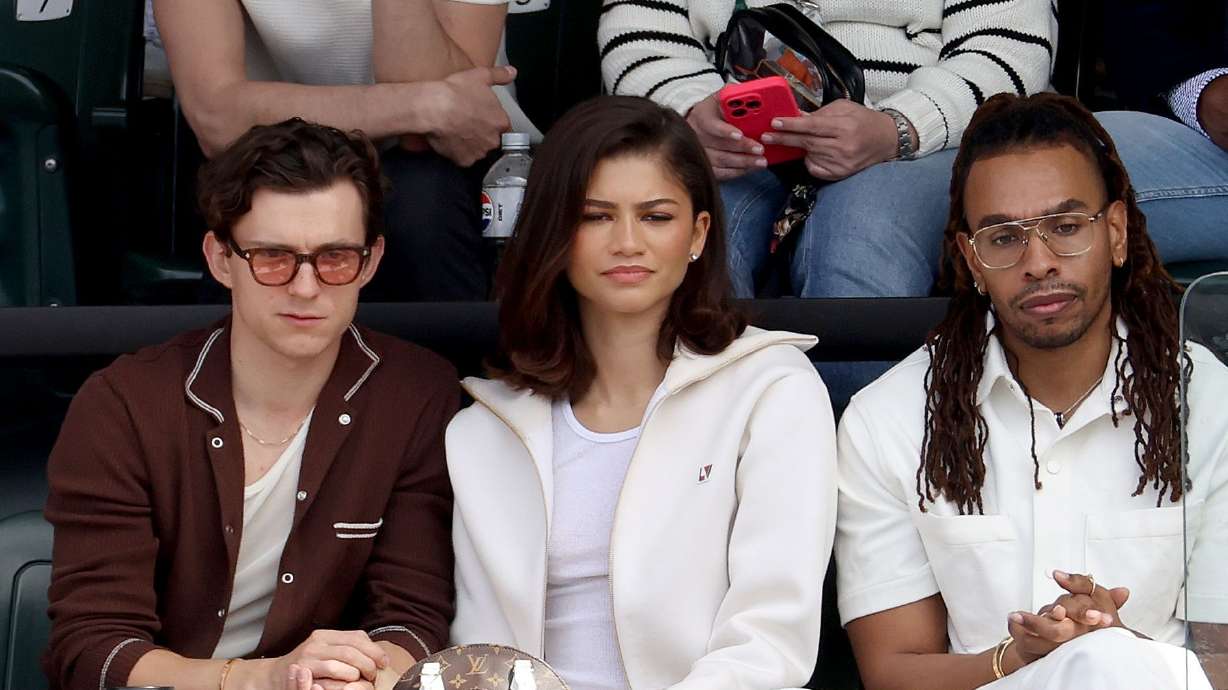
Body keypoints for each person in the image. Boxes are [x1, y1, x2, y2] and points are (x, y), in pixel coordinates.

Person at [43, 120, 459, 690]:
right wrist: (266, 679)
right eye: (272, 257)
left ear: (372, 260)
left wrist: (356, 677)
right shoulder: (124, 404)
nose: (306, 287)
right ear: (220, 259)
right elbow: (95, 650)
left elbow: (412, 618)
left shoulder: (417, 394)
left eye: (335, 257)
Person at [833, 92, 1228, 689]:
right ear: (970, 259)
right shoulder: (888, 418)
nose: (1039, 261)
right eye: (1003, 237)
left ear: (1117, 232)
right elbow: (893, 672)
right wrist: (1016, 660)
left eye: (1066, 227)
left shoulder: (1210, 400)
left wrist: (1115, 650)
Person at [446, 96, 838, 690]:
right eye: (595, 216)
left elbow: (770, 641)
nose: (627, 242)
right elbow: (480, 654)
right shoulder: (484, 427)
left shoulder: (773, 389)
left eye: (655, 216)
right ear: (554, 230)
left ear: (698, 233)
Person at [154, 0, 521, 301]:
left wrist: (428, 109)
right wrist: (422, 106)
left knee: (422, 202)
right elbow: (215, 115)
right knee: (266, 212)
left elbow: (441, 132)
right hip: (277, 154)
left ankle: (443, 387)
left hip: (453, 168)